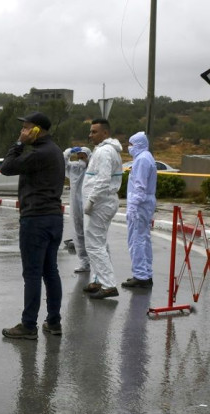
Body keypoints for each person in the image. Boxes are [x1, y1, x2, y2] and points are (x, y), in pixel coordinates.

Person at [0, 112, 65, 339]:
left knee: (33, 274)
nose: (22, 132)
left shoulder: (40, 153)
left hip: (36, 219)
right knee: (50, 271)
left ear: (37, 130)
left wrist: (19, 144)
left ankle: (28, 326)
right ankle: (54, 322)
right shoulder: (55, 151)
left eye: (26, 129)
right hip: (53, 218)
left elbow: (6, 167)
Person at [82, 118, 123, 299]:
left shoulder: (105, 152)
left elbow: (103, 179)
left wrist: (91, 200)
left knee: (94, 245)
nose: (90, 135)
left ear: (105, 133)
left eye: (94, 132)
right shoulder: (103, 150)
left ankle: (108, 284)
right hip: (102, 202)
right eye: (90, 132)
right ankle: (98, 280)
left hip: (101, 203)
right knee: (98, 243)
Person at [122, 131, 157, 289]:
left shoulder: (142, 160)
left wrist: (133, 206)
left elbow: (140, 187)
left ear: (139, 144)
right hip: (144, 204)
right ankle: (146, 274)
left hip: (140, 206)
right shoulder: (146, 157)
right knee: (143, 239)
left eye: (131, 144)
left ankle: (140, 275)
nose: (129, 147)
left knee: (137, 240)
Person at [63, 146, 91, 273]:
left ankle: (95, 262)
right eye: (78, 157)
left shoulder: (91, 169)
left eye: (83, 157)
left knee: (91, 232)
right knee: (78, 232)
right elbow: (62, 162)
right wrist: (69, 152)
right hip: (75, 203)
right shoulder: (73, 168)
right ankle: (84, 262)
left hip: (89, 203)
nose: (80, 160)